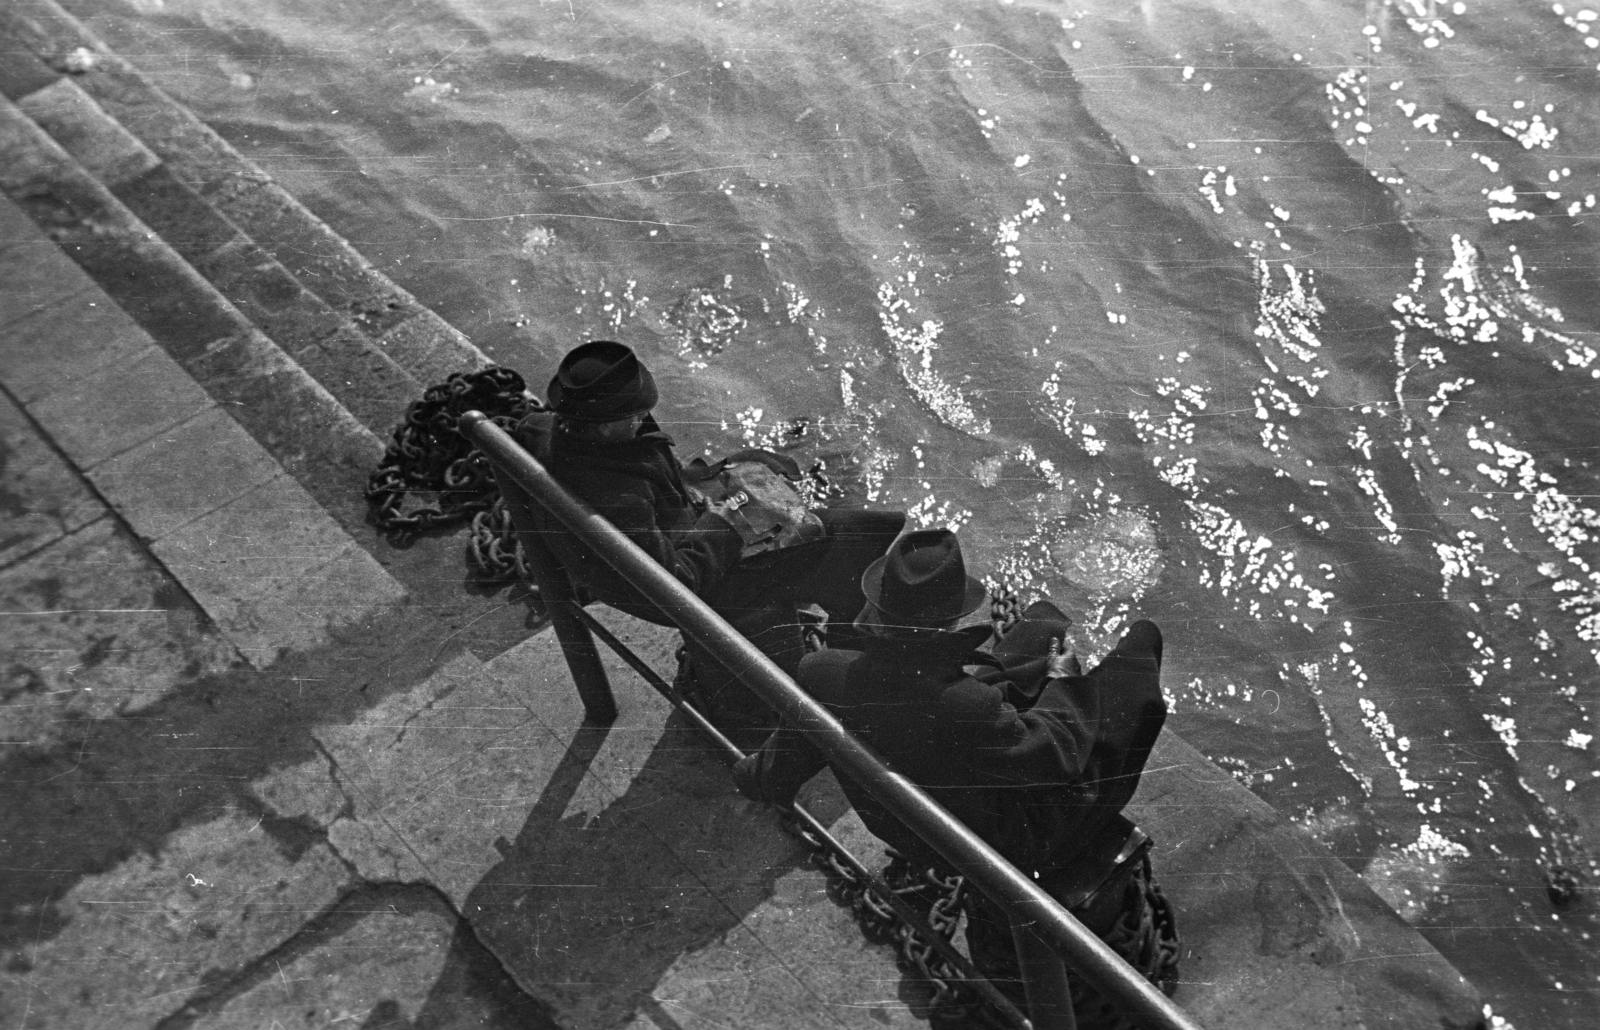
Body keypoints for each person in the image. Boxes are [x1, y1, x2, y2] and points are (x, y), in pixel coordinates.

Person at [731, 529, 1178, 1022]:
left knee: (1041, 623)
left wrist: (756, 776)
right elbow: (1058, 753)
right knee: (1136, 653)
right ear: (949, 617)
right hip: (1000, 841)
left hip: (915, 822)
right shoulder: (966, 705)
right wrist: (1066, 681)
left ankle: (1047, 658)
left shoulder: (823, 672)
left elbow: (787, 757)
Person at [504, 340, 906, 724]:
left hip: (669, 533)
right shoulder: (619, 499)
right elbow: (674, 584)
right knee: (858, 536)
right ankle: (844, 672)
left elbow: (649, 479)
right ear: (601, 427)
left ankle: (827, 641)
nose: (643, 419)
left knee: (768, 465)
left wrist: (717, 479)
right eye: (632, 416)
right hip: (682, 581)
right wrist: (727, 523)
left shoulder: (542, 429)